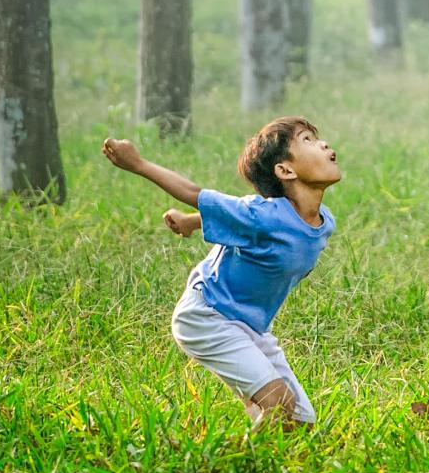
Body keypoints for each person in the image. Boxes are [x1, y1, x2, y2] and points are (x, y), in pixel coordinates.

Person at [101, 117, 342, 424]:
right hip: (208, 316)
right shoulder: (262, 214)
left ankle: (262, 454)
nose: (323, 144)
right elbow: (195, 193)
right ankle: (229, 467)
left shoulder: (324, 222)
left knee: (299, 420)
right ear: (285, 170)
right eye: (307, 140)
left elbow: (240, 222)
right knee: (279, 405)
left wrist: (191, 221)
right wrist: (137, 163)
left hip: (251, 327)